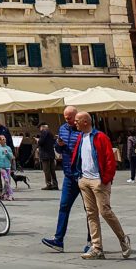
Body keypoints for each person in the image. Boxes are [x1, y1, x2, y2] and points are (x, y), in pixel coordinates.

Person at [71, 111, 131, 260]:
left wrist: (105, 179)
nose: (75, 123)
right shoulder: (80, 137)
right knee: (91, 213)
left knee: (105, 212)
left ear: (86, 121)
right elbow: (77, 157)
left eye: (77, 120)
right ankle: (97, 247)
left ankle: (123, 239)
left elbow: (110, 159)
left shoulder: (100, 137)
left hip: (99, 180)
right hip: (84, 180)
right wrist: (78, 176)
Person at [41, 105, 92, 254]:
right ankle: (58, 240)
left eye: (71, 117)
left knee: (89, 210)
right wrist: (59, 145)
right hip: (69, 175)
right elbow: (58, 149)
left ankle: (92, 241)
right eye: (66, 118)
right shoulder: (63, 129)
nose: (69, 120)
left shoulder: (84, 131)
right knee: (64, 206)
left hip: (84, 175)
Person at [38, 124, 59, 190]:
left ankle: (48, 184)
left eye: (40, 127)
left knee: (46, 170)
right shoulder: (50, 133)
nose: (39, 129)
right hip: (51, 154)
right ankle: (55, 184)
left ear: (42, 127)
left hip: (45, 155)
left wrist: (37, 141)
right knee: (52, 170)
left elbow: (41, 142)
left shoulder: (43, 133)